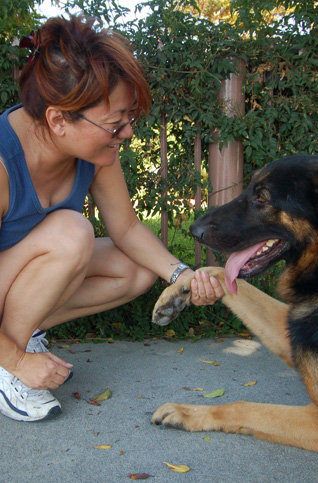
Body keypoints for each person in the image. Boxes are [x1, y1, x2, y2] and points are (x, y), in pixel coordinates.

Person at [0, 15, 224, 422]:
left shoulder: (95, 153)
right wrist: (16, 360)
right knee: (71, 233)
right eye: (115, 123)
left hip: (12, 286)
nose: (128, 133)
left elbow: (127, 228)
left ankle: (21, 333)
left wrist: (181, 275)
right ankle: (8, 361)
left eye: (130, 119)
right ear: (57, 119)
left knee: (137, 269)